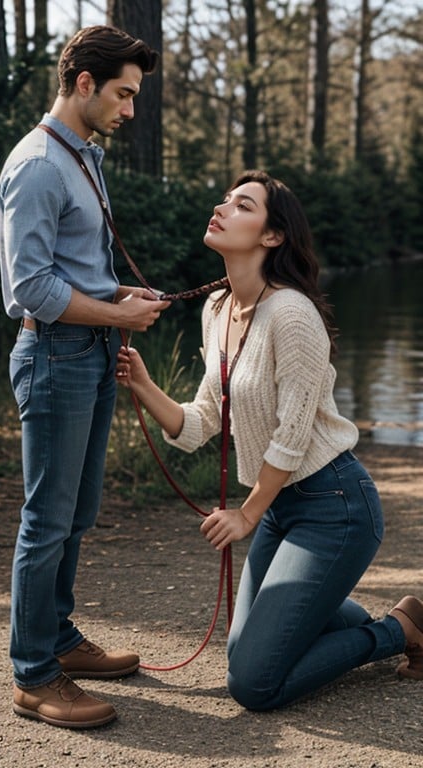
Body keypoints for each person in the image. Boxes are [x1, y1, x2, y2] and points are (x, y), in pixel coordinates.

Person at [116, 169, 423, 710]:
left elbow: (292, 436)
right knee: (244, 653)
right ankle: (326, 600)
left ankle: (400, 629)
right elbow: (200, 423)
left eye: (242, 205)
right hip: (282, 507)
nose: (222, 207)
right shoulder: (217, 312)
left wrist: (247, 515)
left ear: (272, 236)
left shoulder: (292, 313)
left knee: (253, 683)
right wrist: (143, 385)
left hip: (335, 506)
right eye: (224, 200)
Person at [0, 25, 170, 729]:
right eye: (125, 94)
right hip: (55, 356)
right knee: (46, 521)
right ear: (85, 82)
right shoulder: (38, 163)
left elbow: (76, 271)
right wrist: (115, 315)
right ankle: (33, 674)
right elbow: (30, 289)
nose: (131, 110)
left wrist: (116, 301)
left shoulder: (83, 156)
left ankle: (59, 639)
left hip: (91, 351)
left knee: (77, 514)